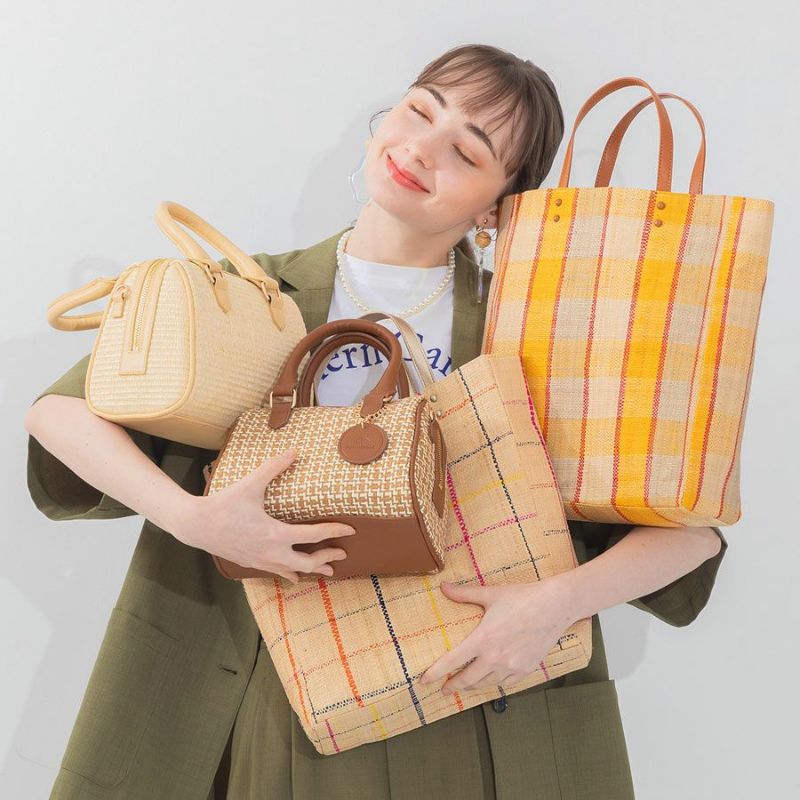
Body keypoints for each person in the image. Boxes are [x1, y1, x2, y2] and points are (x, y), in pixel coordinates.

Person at [25, 44, 727, 799]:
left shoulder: (536, 324)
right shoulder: (245, 291)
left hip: (470, 688)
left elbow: (691, 532)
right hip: (266, 682)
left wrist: (552, 607)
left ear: (495, 207)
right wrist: (196, 520)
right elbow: (60, 412)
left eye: (466, 151)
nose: (421, 149)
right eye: (420, 111)